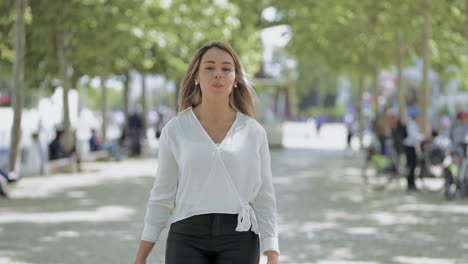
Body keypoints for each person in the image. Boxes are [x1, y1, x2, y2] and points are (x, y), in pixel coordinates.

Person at [133, 41, 279, 264]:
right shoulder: (175, 129)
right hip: (186, 237)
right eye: (209, 68)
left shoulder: (253, 132)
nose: (217, 74)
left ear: (236, 79)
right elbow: (162, 194)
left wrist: (272, 251)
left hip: (240, 238)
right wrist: (141, 256)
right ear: (196, 76)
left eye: (226, 69)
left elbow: (264, 196)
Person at [403, 107, 425, 191]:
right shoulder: (411, 124)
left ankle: (412, 183)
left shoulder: (414, 123)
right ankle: (410, 184)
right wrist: (423, 138)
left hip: (412, 147)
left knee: (414, 165)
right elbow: (414, 136)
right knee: (411, 166)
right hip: (409, 147)